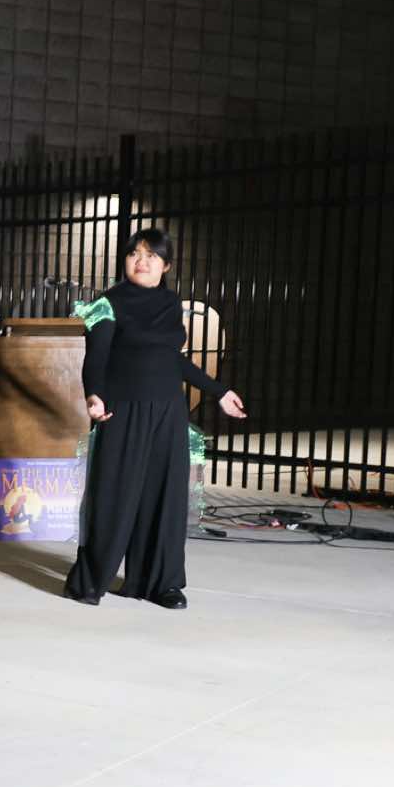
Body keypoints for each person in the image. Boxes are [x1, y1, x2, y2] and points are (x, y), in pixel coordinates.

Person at [66, 227, 247, 609]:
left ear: (165, 265)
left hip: (168, 412)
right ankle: (89, 581)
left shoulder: (170, 303)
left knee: (165, 497)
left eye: (151, 255)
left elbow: (173, 359)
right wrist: (93, 395)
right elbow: (95, 358)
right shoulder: (105, 303)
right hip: (123, 410)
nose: (141, 261)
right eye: (134, 254)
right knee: (114, 496)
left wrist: (219, 392)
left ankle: (160, 583)